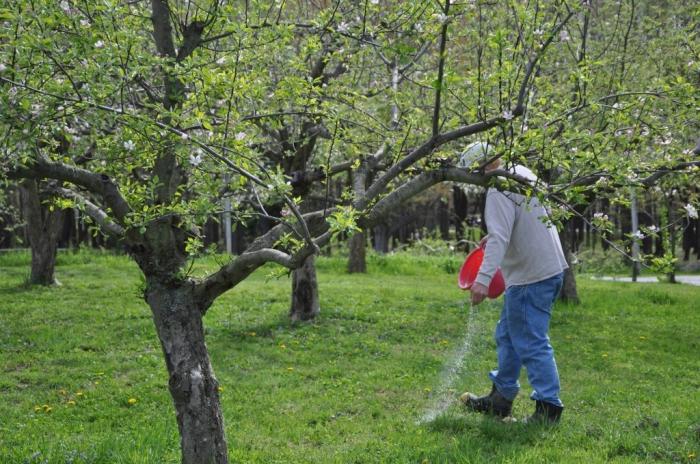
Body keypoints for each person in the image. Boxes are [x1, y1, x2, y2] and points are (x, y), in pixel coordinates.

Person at [457, 142, 569, 423]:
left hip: (532, 277)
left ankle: (548, 409)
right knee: (508, 335)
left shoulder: (498, 188)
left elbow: (499, 238)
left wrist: (482, 280)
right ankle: (501, 399)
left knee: (531, 341)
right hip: (545, 270)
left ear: (479, 168)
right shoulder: (520, 174)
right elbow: (521, 222)